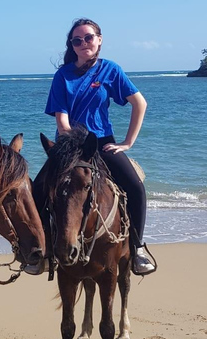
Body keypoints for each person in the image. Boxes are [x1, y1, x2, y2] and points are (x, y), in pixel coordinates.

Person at [44, 18, 156, 275]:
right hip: (69, 144)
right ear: (71, 45)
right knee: (40, 188)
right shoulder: (63, 75)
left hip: (102, 142)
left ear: (99, 40)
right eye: (77, 40)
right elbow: (62, 122)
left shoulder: (111, 70)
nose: (83, 43)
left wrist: (127, 143)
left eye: (89, 38)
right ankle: (43, 252)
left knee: (136, 188)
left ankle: (137, 249)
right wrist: (75, 145)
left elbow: (140, 104)